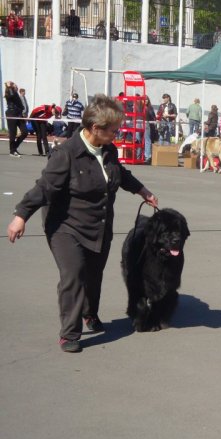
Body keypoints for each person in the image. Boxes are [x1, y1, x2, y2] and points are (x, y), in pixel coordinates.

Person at [6, 94, 158, 353]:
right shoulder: (66, 153)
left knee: (93, 275)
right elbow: (44, 188)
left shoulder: (108, 149)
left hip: (98, 224)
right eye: (113, 129)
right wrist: (21, 215)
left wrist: (142, 190)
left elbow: (119, 174)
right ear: (95, 128)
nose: (117, 133)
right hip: (65, 226)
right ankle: (70, 333)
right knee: (74, 274)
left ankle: (90, 312)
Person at [4, 81, 28, 157]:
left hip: (19, 114)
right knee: (13, 133)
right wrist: (9, 86)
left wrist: (22, 110)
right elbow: (11, 95)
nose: (16, 86)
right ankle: (12, 151)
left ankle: (14, 147)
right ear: (11, 87)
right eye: (14, 85)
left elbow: (20, 104)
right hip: (11, 113)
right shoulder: (9, 93)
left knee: (25, 132)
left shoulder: (15, 93)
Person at [143, 95, 157, 162]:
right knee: (140, 140)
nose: (146, 101)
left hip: (147, 124)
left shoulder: (149, 108)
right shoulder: (140, 107)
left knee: (147, 140)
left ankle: (148, 156)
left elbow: (153, 117)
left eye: (147, 99)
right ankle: (141, 155)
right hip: (139, 124)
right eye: (144, 99)